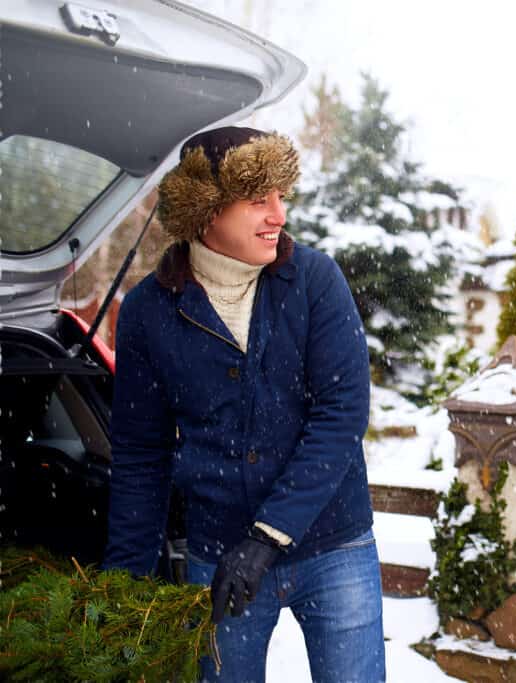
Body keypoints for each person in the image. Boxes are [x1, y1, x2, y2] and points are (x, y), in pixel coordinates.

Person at [103, 126, 385, 682]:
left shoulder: (315, 281)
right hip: (218, 556)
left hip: (335, 546)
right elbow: (141, 455)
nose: (278, 214)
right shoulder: (147, 313)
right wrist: (124, 592)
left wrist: (267, 536)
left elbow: (341, 415)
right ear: (205, 210)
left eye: (282, 196)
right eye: (259, 199)